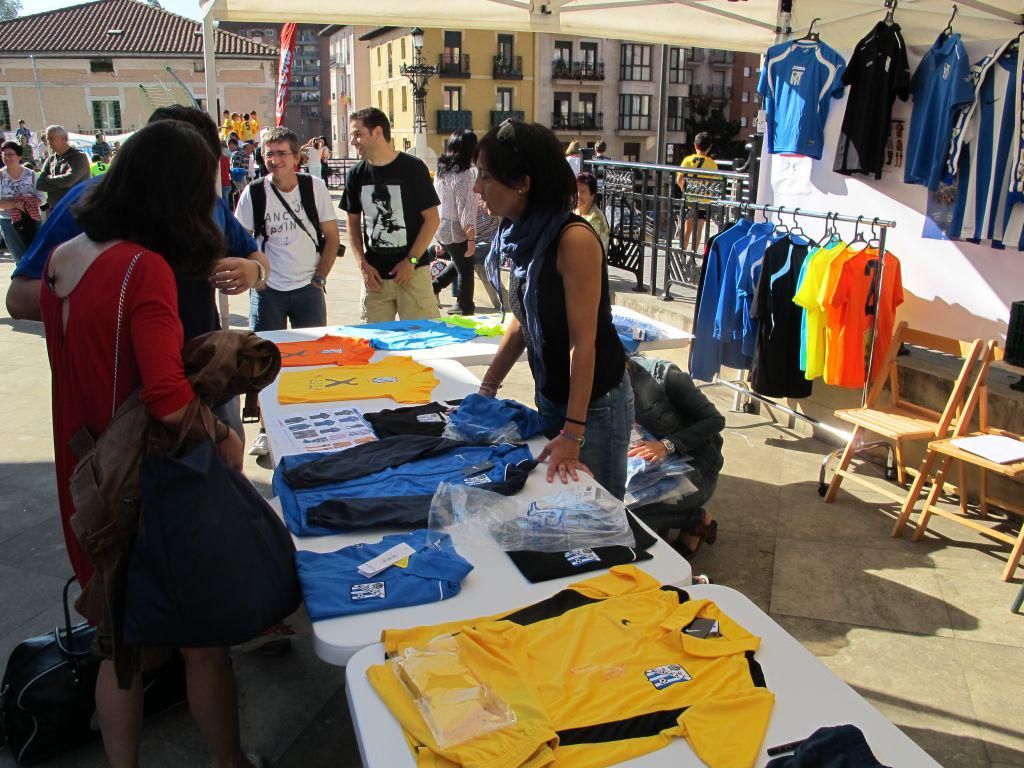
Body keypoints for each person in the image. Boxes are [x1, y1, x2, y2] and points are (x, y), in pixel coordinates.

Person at [40, 118, 261, 768]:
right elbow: (166, 396)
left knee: (119, 650)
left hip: (84, 474)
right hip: (147, 479)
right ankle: (228, 761)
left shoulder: (65, 256)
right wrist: (222, 436)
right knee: (202, 645)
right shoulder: (144, 268)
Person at [6, 105, 270, 441]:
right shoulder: (89, 209)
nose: (203, 187)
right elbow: (19, 298)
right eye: (196, 171)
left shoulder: (202, 201)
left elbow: (255, 257)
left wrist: (254, 270)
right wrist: (120, 299)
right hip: (125, 402)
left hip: (204, 378)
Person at [473, 119, 632, 498]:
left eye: (486, 177)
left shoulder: (573, 239)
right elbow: (523, 319)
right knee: (559, 503)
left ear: (523, 183)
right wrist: (486, 389)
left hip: (594, 408)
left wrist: (573, 433)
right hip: (552, 395)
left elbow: (583, 343)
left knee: (596, 508)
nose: (477, 187)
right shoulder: (522, 235)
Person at [235, 125, 340, 333]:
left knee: (311, 349)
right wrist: (257, 280)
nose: (275, 160)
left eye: (282, 153)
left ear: (296, 157)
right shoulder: (254, 192)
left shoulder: (314, 187)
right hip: (267, 291)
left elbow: (332, 237)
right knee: (266, 350)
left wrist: (319, 278)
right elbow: (240, 241)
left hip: (308, 289)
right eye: (269, 154)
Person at [341, 107, 441, 323]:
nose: (353, 141)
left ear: (377, 132)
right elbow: (352, 223)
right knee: (374, 341)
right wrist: (362, 265)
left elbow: (432, 220)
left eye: (358, 134)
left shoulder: (413, 168)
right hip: (374, 278)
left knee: (422, 339)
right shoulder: (356, 174)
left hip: (413, 275)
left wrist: (410, 260)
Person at [626, 354, 724, 557]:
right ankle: (663, 520)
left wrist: (667, 445)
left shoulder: (665, 376)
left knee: (629, 517)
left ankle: (695, 520)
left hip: (698, 469)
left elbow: (715, 420)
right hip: (649, 470)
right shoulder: (602, 386)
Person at [430, 129, 479, 315]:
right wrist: (471, 238)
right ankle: (464, 305)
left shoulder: (441, 172)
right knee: (466, 268)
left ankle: (435, 287)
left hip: (441, 226)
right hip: (456, 229)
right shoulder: (465, 175)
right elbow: (465, 209)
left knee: (461, 261)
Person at [0, 141, 44, 262]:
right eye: (4, 155)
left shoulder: (32, 175)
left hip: (31, 219)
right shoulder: (1, 175)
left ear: (19, 157)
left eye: (10, 154)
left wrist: (31, 202)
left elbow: (42, 197)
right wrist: (15, 204)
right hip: (8, 221)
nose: (6, 157)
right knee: (20, 258)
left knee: (35, 255)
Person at [676, 131, 718, 250]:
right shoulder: (712, 164)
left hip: (689, 199)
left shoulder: (687, 160)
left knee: (687, 230)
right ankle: (693, 255)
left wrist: (684, 189)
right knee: (698, 231)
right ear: (709, 147)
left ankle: (682, 254)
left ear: (695, 145)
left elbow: (679, 179)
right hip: (703, 202)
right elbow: (713, 184)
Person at [37, 125, 90, 210]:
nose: (48, 142)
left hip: (75, 209)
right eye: (47, 139)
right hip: (55, 209)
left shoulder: (79, 157)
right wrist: (63, 184)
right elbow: (39, 185)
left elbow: (69, 180)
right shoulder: (50, 160)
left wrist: (48, 179)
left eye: (51, 139)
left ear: (64, 139)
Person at [574, 171, 609, 253]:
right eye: (576, 191)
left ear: (592, 195)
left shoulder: (595, 219)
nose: (578, 195)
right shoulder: (575, 211)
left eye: (583, 192)